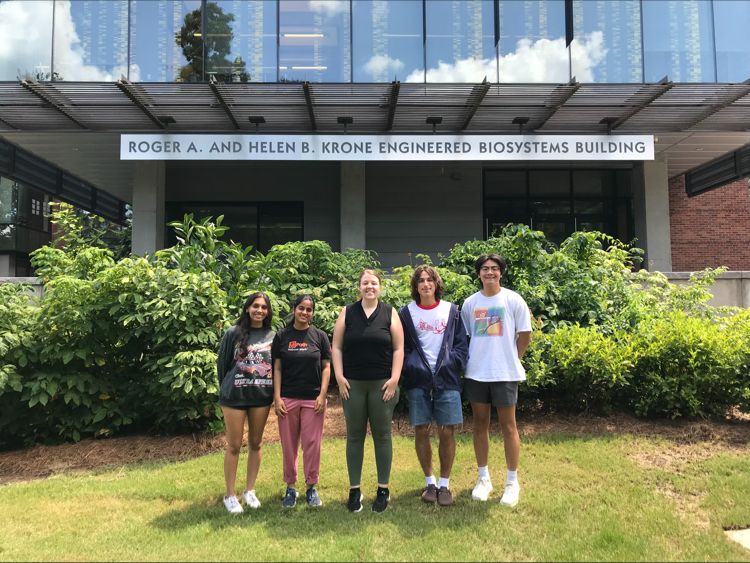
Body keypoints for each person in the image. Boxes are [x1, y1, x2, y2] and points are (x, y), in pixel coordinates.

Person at [461, 254, 532, 507]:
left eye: (493, 268)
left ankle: (512, 482)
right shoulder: (470, 303)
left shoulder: (513, 300)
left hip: (504, 374)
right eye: (484, 269)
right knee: (479, 424)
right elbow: (466, 338)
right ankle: (483, 478)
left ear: (501, 272)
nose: (489, 272)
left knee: (508, 426)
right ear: (478, 273)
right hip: (477, 373)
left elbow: (524, 334)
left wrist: (513, 358)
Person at [331, 269, 404, 513]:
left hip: (382, 384)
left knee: (383, 435)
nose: (369, 287)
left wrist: (394, 378)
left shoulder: (390, 313)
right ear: (359, 287)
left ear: (380, 287)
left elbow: (398, 349)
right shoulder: (347, 312)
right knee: (354, 436)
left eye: (373, 283)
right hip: (353, 384)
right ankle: (355, 490)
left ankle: (383, 489)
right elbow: (337, 347)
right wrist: (339, 377)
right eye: (365, 283)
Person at [399, 265, 468, 507]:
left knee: (447, 431)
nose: (426, 284)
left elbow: (461, 344)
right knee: (421, 430)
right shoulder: (406, 314)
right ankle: (429, 482)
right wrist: (411, 365)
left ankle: (444, 484)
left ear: (436, 284)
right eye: (421, 281)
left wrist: (452, 362)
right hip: (417, 380)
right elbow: (401, 346)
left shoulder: (452, 311)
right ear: (415, 286)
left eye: (429, 280)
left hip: (446, 379)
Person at [216, 292, 275, 514]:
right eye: (255, 306)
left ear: (268, 311)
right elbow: (222, 365)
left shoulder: (273, 335)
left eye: (263, 307)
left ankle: (249, 490)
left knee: (256, 443)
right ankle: (230, 495)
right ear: (247, 308)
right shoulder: (233, 333)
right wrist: (227, 387)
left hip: (261, 397)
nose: (259, 310)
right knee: (233, 446)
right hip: (234, 397)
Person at [272, 294, 331, 509]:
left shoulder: (320, 336)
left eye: (309, 309)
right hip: (287, 398)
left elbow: (326, 367)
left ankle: (311, 487)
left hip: (312, 398)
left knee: (312, 445)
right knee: (289, 446)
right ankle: (290, 487)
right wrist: (277, 397)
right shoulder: (282, 336)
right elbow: (277, 368)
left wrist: (322, 395)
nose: (304, 313)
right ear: (294, 309)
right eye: (301, 308)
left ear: (312, 313)